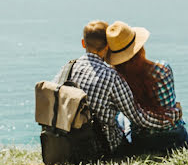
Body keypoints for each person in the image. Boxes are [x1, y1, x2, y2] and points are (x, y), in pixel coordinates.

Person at [53, 20, 180, 156]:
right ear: (108, 47)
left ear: (83, 43)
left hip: (65, 143)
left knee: (120, 115)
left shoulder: (66, 69)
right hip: (101, 147)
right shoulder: (111, 77)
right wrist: (172, 116)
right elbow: (139, 117)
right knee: (121, 115)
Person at [105, 21, 188, 152]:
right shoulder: (163, 69)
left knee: (122, 117)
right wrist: (174, 115)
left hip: (143, 143)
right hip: (174, 137)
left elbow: (138, 117)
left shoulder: (117, 79)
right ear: (140, 48)